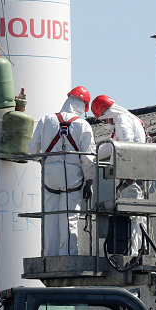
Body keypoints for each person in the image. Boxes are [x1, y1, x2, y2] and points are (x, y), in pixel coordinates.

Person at [28, 86, 96, 256]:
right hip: (72, 178)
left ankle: (49, 255)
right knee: (68, 217)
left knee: (50, 216)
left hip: (50, 175)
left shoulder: (45, 120)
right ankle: (68, 255)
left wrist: (46, 162)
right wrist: (89, 181)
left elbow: (33, 149)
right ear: (83, 106)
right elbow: (88, 158)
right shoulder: (82, 125)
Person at [91, 95, 151, 257]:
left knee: (134, 214)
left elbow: (125, 143)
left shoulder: (121, 120)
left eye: (104, 121)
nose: (105, 124)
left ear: (107, 115)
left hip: (130, 177)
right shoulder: (128, 119)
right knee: (136, 213)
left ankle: (134, 252)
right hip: (134, 175)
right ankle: (139, 249)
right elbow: (110, 148)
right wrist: (92, 153)